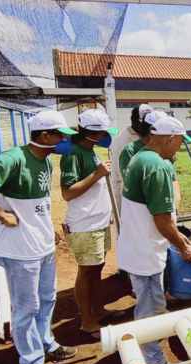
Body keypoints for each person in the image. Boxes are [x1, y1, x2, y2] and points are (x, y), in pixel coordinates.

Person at [0, 111, 78, 364]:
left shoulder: (45, 162)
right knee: (27, 308)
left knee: (47, 299)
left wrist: (48, 231)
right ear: (45, 136)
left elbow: (37, 206)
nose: (65, 141)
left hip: (41, 246)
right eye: (62, 135)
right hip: (19, 250)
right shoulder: (14, 159)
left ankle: (47, 343)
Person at [116, 116, 191, 364]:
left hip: (136, 242)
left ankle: (148, 346)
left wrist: (177, 236)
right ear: (170, 138)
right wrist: (184, 247)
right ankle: (153, 360)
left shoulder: (140, 157)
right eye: (180, 143)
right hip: (146, 250)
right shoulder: (157, 166)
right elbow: (162, 219)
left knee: (150, 300)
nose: (179, 148)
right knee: (150, 305)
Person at [59, 109, 122, 339]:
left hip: (98, 221)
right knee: (86, 272)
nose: (107, 135)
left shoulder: (90, 150)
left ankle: (98, 310)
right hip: (85, 225)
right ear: (92, 133)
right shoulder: (73, 154)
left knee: (97, 268)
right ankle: (87, 322)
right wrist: (96, 175)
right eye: (103, 131)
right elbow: (67, 193)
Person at [119, 110, 185, 213]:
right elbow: (133, 186)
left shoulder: (164, 151)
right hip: (149, 211)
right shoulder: (132, 151)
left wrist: (174, 204)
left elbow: (173, 178)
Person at [109, 104, 154, 235]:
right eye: (144, 124)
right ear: (134, 122)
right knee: (129, 233)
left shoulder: (143, 136)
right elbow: (127, 177)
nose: (148, 128)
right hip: (126, 193)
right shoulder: (125, 142)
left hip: (144, 195)